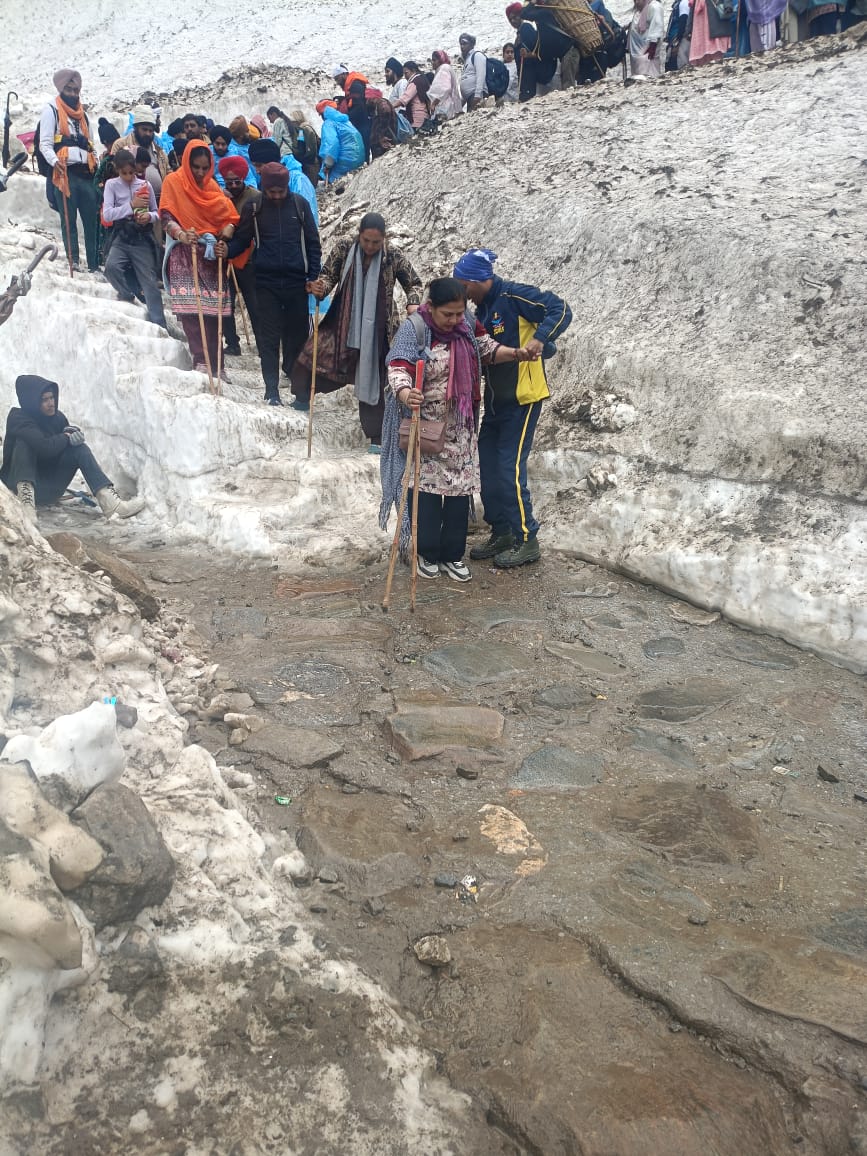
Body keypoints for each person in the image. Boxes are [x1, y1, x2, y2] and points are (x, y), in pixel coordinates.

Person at [382, 278, 529, 582]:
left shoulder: (467, 325)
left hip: (461, 427)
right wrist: (407, 393)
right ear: (431, 307)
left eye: (459, 313)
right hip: (426, 427)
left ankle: (452, 555)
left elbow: (486, 349)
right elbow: (398, 367)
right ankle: (427, 552)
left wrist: (515, 353)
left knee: (460, 491)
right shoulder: (415, 329)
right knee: (427, 491)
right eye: (448, 314)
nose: (455, 320)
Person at [454, 248, 572, 569]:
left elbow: (560, 309)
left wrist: (540, 339)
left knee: (509, 468)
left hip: (523, 398)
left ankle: (526, 538)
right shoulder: (480, 309)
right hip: (495, 399)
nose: (462, 294)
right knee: (488, 465)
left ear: (479, 280)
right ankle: (502, 531)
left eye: (464, 286)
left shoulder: (515, 296)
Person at [307, 212, 423, 446]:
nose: (370, 247)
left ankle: (377, 436)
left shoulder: (393, 256)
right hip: (344, 321)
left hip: (380, 329)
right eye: (366, 241)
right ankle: (302, 397)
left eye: (376, 243)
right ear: (359, 236)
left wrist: (413, 301)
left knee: (375, 378)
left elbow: (414, 282)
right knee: (319, 360)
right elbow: (328, 275)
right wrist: (321, 288)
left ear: (384, 240)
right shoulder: (344, 247)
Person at [226, 162, 320, 406]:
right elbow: (243, 240)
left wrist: (312, 276)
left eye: (281, 192)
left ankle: (299, 392)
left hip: (296, 283)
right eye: (272, 192)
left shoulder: (299, 205)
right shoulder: (254, 207)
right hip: (265, 283)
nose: (277, 196)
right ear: (265, 188)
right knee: (268, 338)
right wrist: (226, 250)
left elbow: (313, 243)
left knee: (298, 338)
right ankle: (271, 391)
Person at [1, 375, 146, 524]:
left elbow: (62, 441)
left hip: (48, 489)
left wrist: (73, 434)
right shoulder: (18, 418)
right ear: (31, 402)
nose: (51, 403)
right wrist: (66, 436)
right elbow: (44, 447)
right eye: (44, 400)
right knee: (25, 443)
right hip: (17, 489)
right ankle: (26, 507)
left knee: (79, 449)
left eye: (52, 398)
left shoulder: (58, 418)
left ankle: (112, 505)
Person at [159, 144, 238, 378]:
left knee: (213, 311)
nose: (201, 173)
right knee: (192, 311)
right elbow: (166, 217)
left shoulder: (212, 186)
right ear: (186, 163)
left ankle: (218, 364)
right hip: (184, 252)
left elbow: (229, 216)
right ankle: (201, 361)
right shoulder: (173, 182)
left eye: (205, 168)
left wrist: (229, 228)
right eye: (196, 167)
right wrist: (181, 234)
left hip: (209, 255)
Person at [38, 69, 99, 272]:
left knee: (92, 221)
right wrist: (55, 162)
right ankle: (74, 262)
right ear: (61, 88)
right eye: (69, 89)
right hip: (65, 172)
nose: (73, 94)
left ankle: (94, 264)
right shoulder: (51, 110)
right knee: (68, 220)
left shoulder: (84, 115)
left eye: (76, 90)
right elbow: (44, 144)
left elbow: (91, 143)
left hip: (86, 173)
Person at [101, 149, 166, 327]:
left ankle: (160, 325)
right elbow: (107, 215)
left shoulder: (145, 185)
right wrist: (131, 206)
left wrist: (149, 217)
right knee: (111, 267)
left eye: (132, 172)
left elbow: (157, 212)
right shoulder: (111, 185)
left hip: (141, 237)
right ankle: (127, 294)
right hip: (122, 236)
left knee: (149, 282)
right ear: (117, 170)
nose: (129, 177)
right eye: (124, 173)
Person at [217, 155, 260, 356]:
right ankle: (232, 343)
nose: (233, 185)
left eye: (237, 181)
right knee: (226, 303)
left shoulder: (255, 197)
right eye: (229, 182)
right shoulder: (220, 197)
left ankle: (263, 345)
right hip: (225, 258)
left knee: (255, 306)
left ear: (244, 178)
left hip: (249, 259)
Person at [112, 106, 168, 200]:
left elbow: (168, 173)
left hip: (159, 201)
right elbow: (113, 173)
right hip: (131, 200)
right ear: (135, 128)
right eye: (144, 130)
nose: (148, 134)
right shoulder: (121, 145)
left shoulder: (159, 152)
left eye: (151, 131)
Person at [331, 65, 373, 162]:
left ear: (344, 74)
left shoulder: (355, 85)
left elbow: (359, 107)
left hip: (363, 123)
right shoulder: (351, 85)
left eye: (337, 79)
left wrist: (345, 118)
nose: (337, 82)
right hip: (363, 122)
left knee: (364, 148)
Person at [316, 102, 365, 183]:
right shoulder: (345, 121)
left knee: (335, 184)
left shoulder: (328, 123)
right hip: (358, 158)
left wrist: (328, 165)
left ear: (323, 114)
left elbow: (331, 144)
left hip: (345, 160)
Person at [629, 0, 665, 74]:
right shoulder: (642, 9)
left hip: (648, 49)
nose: (636, 3)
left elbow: (657, 25)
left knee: (650, 70)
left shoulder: (654, 6)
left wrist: (652, 45)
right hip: (640, 51)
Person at [287, 110, 321, 185]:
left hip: (311, 164)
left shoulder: (306, 129)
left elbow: (311, 149)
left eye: (292, 121)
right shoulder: (301, 130)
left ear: (297, 120)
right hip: (308, 163)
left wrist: (304, 160)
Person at [428, 51, 463, 120]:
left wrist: (434, 103)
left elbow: (445, 88)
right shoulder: (445, 68)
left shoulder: (444, 69)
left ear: (440, 60)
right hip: (448, 104)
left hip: (445, 105)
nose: (432, 62)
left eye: (434, 60)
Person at [396, 63, 431, 130]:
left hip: (416, 119)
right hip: (425, 116)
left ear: (413, 70)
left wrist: (390, 106)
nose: (405, 76)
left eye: (406, 73)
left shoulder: (415, 82)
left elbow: (404, 99)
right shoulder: (423, 79)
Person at [458, 34, 488, 110]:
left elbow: (481, 75)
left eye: (464, 43)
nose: (462, 46)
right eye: (461, 44)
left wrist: (477, 95)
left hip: (476, 97)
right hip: (470, 98)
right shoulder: (467, 60)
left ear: (471, 44)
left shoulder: (477, 55)